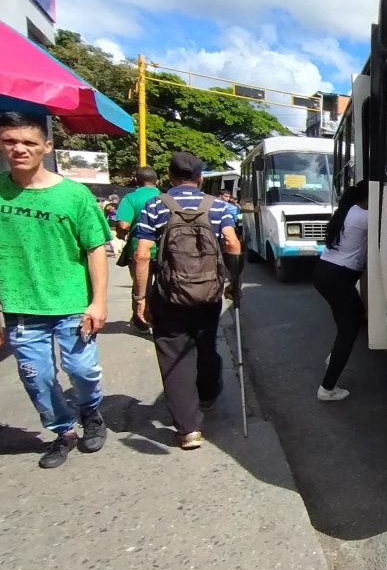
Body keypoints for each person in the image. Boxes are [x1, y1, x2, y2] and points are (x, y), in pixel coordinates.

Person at [0, 111, 111, 468]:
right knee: (38, 378)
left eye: (28, 142)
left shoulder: (74, 196)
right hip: (20, 306)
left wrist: (98, 302)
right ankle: (62, 431)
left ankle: (91, 413)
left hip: (72, 304)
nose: (18, 149)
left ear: (47, 147)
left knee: (82, 370)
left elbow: (95, 249)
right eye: (10, 141)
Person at [133, 152, 242, 450]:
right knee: (206, 345)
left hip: (169, 295)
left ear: (169, 177)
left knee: (172, 355)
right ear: (201, 178)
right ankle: (207, 396)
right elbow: (232, 243)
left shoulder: (155, 205)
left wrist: (140, 298)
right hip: (208, 293)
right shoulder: (218, 207)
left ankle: (189, 429)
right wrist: (234, 283)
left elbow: (142, 254)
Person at [314, 180, 369, 401]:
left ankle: (333, 358)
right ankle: (327, 389)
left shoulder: (349, 211)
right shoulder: (364, 216)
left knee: (351, 320)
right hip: (338, 277)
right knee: (349, 329)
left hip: (326, 273)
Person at [116, 166, 160, 331]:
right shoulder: (165, 197)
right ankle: (157, 318)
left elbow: (123, 225)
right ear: (157, 181)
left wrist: (121, 234)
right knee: (161, 287)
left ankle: (140, 320)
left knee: (141, 285)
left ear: (136, 181)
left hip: (138, 248)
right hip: (163, 249)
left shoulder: (130, 198)